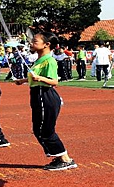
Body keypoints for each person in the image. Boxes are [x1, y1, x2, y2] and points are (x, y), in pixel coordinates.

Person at [14, 32, 77, 171]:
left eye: (35, 41)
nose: (32, 43)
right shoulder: (39, 60)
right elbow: (36, 76)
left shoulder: (50, 60)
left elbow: (54, 81)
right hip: (37, 95)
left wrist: (40, 79)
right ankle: (59, 156)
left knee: (45, 130)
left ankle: (65, 159)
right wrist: (23, 80)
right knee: (39, 128)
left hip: (45, 95)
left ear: (47, 44)